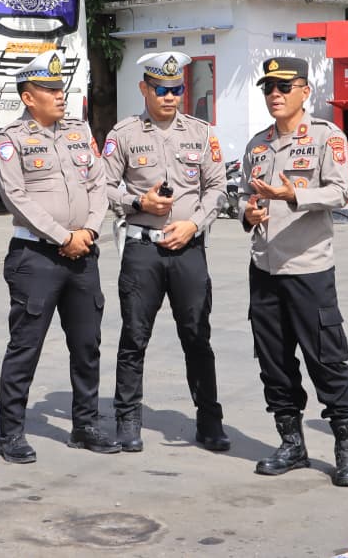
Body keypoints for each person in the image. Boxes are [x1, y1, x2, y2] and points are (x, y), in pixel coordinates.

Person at [239, 56, 348, 488]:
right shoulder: (257, 145)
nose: (274, 94)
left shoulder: (326, 137)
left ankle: (346, 449)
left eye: (283, 87)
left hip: (308, 268)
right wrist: (248, 213)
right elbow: (244, 198)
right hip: (265, 267)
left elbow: (341, 192)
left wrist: (294, 196)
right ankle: (291, 444)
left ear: (304, 92)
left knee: (326, 359)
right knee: (273, 360)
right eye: (268, 88)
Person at [0, 50, 119, 463]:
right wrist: (64, 236)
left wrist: (89, 231)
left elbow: (99, 184)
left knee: (87, 344)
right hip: (36, 257)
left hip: (83, 253)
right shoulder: (10, 140)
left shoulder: (79, 132)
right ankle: (11, 433)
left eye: (60, 87)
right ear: (28, 97)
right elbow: (16, 197)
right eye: (49, 89)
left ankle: (85, 425)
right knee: (25, 346)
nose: (60, 95)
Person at [102, 51, 229, 453]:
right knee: (134, 337)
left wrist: (195, 224)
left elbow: (218, 188)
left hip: (188, 249)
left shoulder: (201, 133)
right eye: (161, 89)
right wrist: (139, 203)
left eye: (176, 89)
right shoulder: (124, 134)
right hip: (143, 250)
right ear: (145, 88)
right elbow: (102, 186)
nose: (170, 96)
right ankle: (127, 420)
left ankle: (209, 420)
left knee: (197, 336)